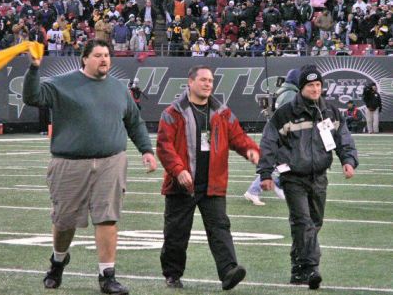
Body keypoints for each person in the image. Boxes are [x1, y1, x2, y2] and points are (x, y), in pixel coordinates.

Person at [22, 39, 157, 294]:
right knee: (64, 221)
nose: (104, 59)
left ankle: (107, 275)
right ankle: (58, 261)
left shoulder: (118, 88)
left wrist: (147, 151)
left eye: (107, 55)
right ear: (84, 58)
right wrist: (34, 69)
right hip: (70, 163)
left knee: (107, 217)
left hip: (111, 161)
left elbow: (134, 122)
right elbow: (32, 97)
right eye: (98, 55)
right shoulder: (63, 84)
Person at [156, 65, 260, 290]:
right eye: (203, 80)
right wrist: (179, 170)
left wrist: (251, 150)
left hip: (212, 184)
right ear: (190, 83)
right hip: (181, 185)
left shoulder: (222, 112)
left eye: (210, 81)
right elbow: (164, 146)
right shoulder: (173, 112)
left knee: (220, 228)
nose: (208, 84)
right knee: (176, 233)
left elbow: (238, 137)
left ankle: (228, 271)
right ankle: (172, 274)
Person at [258, 65, 358, 290]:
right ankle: (312, 267)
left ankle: (298, 269)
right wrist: (265, 173)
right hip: (292, 176)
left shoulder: (330, 111)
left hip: (319, 176)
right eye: (311, 85)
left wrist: (348, 161)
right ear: (301, 87)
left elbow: (343, 138)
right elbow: (268, 142)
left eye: (318, 85)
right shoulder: (284, 113)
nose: (315, 89)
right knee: (303, 222)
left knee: (313, 223)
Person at [243, 68, 302, 206]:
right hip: (282, 135)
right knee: (283, 164)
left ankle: (257, 190)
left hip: (278, 133)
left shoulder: (285, 92)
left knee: (281, 165)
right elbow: (287, 118)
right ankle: (259, 189)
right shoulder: (290, 95)